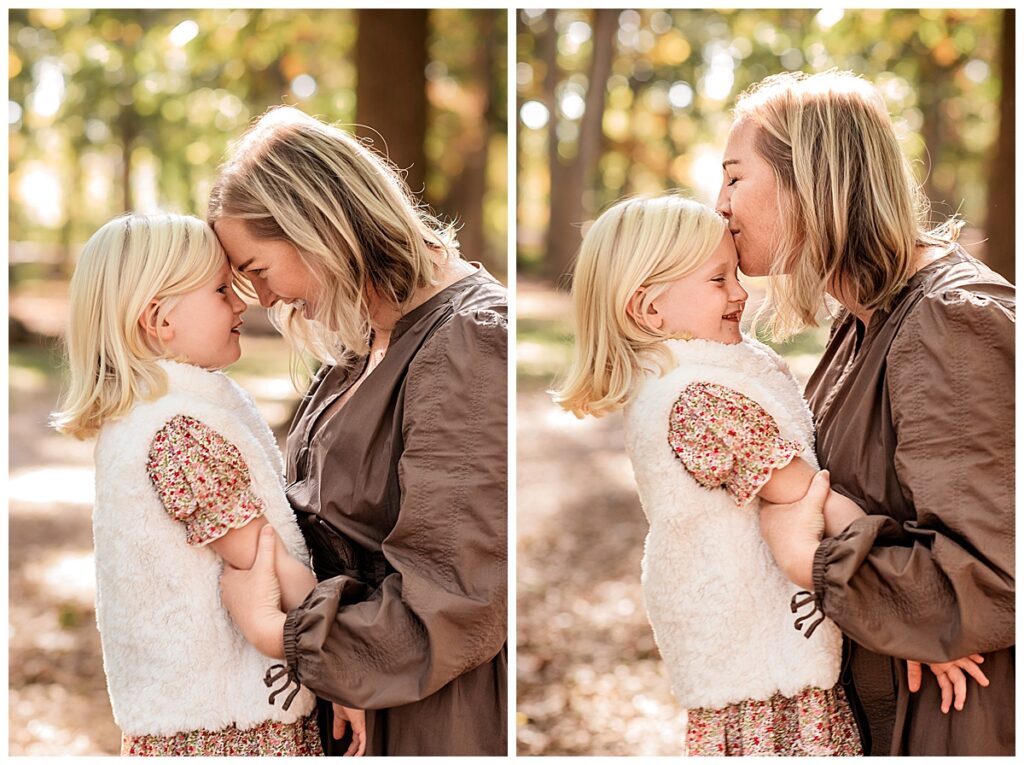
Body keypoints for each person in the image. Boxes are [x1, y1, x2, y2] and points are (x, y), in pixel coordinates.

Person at [716, 70, 1014, 756]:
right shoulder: (865, 318)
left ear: (810, 178)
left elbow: (999, 574)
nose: (719, 203)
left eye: (735, 177)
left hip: (955, 720)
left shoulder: (949, 320)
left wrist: (813, 559)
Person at [206, 106, 507, 756]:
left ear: (316, 223)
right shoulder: (363, 338)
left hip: (427, 711)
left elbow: (456, 591)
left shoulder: (469, 341)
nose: (264, 298)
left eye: (258, 268)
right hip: (357, 692)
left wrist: (277, 632)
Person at [553, 194, 867, 755]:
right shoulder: (697, 398)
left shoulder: (713, 371)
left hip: (766, 648)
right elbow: (809, 494)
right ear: (649, 309)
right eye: (718, 279)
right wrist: (910, 589)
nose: (741, 291)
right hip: (760, 668)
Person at [50, 213, 366, 755]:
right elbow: (263, 556)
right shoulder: (177, 432)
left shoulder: (171, 412)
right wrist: (347, 663)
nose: (242, 303)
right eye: (222, 289)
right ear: (160, 319)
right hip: (226, 729)